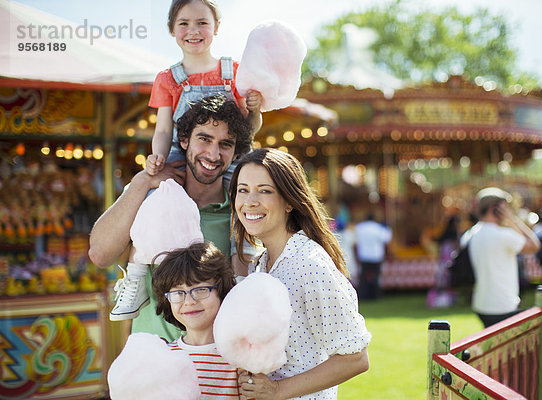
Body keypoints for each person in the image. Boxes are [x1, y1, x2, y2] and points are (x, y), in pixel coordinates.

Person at [88, 95, 254, 341]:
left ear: (235, 151)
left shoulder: (241, 213)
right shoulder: (149, 196)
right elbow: (100, 255)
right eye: (204, 139)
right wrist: (143, 181)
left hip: (215, 365)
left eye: (225, 144)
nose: (213, 154)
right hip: (154, 362)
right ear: (184, 140)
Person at [230, 148, 371, 399]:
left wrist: (277, 390)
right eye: (243, 189)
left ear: (289, 202)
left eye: (264, 190)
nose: (250, 201)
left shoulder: (309, 265)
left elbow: (355, 358)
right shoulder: (260, 265)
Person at [146, 0, 262, 176]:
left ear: (216, 27)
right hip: (182, 159)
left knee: (245, 192)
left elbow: (250, 129)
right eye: (184, 23)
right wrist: (158, 157)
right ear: (172, 28)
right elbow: (163, 130)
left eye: (202, 23)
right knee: (155, 191)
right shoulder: (167, 79)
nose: (193, 31)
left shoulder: (236, 72)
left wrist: (255, 111)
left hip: (230, 158)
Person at [152, 241, 241, 398]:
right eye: (178, 293)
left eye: (200, 290)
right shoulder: (164, 356)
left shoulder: (240, 358)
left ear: (221, 292)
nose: (189, 301)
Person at [465, 187, 541, 328]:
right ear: (496, 208)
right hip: (502, 305)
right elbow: (535, 245)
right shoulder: (503, 235)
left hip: (481, 304)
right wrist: (512, 220)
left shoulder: (472, 232)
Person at [354, 213, 392, 300]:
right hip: (376, 256)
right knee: (376, 276)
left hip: (364, 255)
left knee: (363, 278)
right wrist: (387, 228)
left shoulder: (359, 228)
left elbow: (355, 240)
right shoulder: (378, 228)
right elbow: (387, 239)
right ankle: (376, 295)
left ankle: (363, 295)